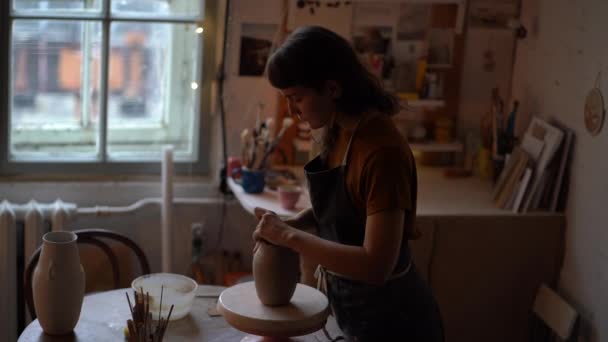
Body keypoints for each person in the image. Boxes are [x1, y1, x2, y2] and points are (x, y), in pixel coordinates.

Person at [252, 26, 444, 341]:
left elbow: (376, 264)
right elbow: (341, 213)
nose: (292, 111)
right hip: (351, 312)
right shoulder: (338, 130)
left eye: (296, 98)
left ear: (332, 89)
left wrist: (288, 236)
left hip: (396, 323)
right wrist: (295, 223)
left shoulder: (382, 153)